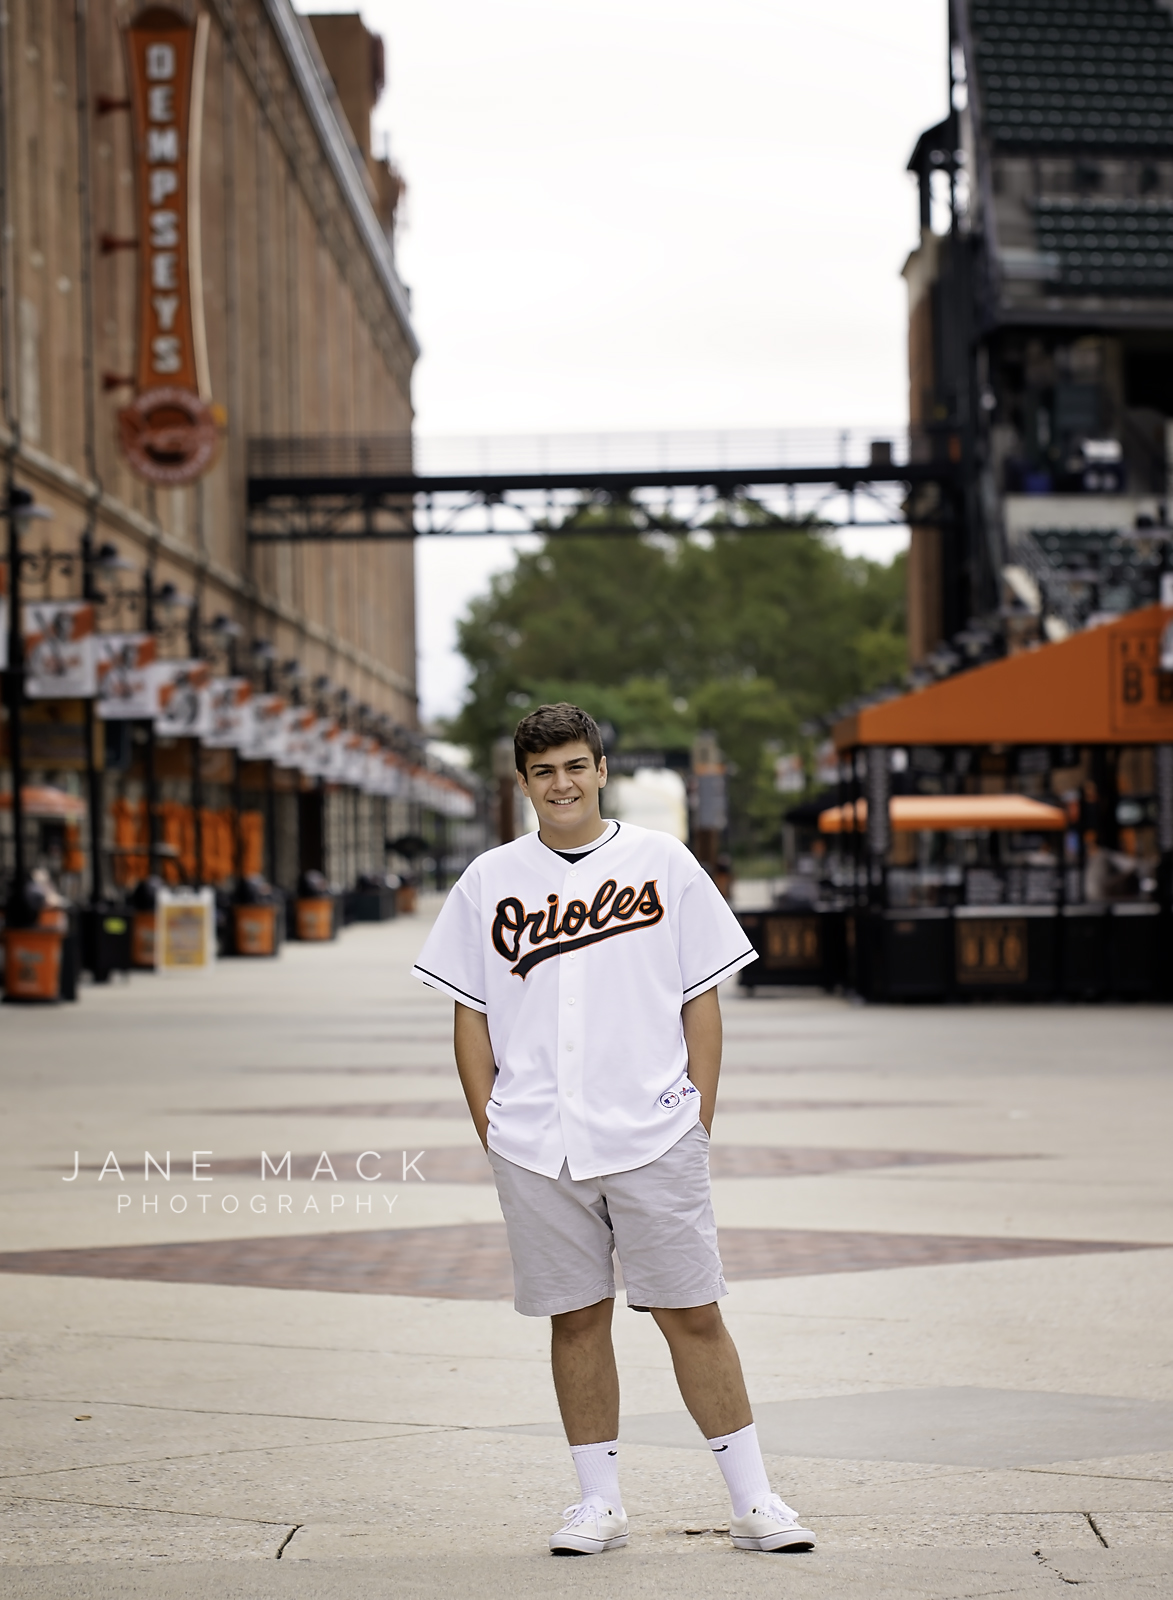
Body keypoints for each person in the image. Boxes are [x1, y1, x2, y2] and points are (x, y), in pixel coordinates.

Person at [412, 702, 815, 1558]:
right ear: (521, 784)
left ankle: (754, 1500)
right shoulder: (489, 879)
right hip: (535, 1142)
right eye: (542, 771)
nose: (560, 783)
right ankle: (597, 1504)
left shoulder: (662, 863)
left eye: (573, 766)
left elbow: (699, 1005)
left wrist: (694, 1118)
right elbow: (470, 1015)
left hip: (651, 1133)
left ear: (600, 770)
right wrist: (492, 1123)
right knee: (575, 1320)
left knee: (692, 1314)